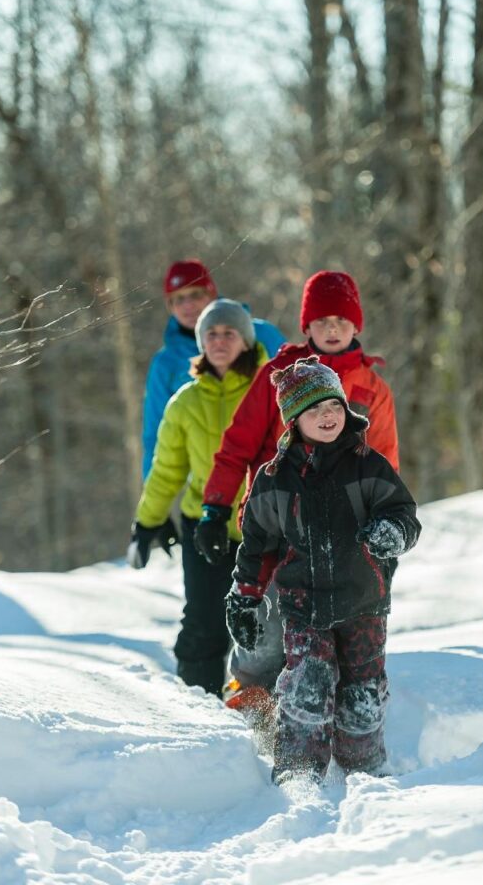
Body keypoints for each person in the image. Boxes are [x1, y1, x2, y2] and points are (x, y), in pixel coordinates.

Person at [194, 270, 401, 703]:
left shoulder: (372, 389)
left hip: (345, 537)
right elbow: (236, 448)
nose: (331, 328)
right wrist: (214, 508)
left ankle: (332, 717)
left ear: (355, 326)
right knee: (267, 629)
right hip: (277, 526)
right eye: (321, 320)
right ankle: (251, 699)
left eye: (340, 320)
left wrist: (389, 532)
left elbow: (386, 467)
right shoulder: (277, 375)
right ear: (305, 325)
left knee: (337, 634)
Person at [224, 356, 421, 784]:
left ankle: (363, 770)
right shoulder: (274, 479)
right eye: (313, 409)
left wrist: (393, 531)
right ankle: (298, 772)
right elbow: (257, 548)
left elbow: (404, 514)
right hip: (302, 605)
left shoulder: (368, 465)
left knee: (362, 694)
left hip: (364, 602)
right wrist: (245, 597)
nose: (327, 415)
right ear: (293, 420)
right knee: (306, 686)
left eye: (333, 405)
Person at [128, 298, 268, 693]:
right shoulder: (185, 402)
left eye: (229, 333)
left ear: (246, 340)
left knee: (265, 625)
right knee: (204, 622)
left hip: (264, 529)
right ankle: (200, 712)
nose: (219, 341)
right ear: (201, 341)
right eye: (211, 333)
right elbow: (167, 471)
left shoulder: (268, 392)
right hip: (204, 527)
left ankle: (263, 710)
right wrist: (147, 522)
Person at [142, 258, 285, 478]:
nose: (188, 305)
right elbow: (156, 434)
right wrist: (155, 498)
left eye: (195, 294)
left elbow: (296, 391)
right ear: (169, 306)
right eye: (178, 299)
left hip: (267, 469)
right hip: (206, 483)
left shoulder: (263, 336)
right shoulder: (165, 364)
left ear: (212, 294)